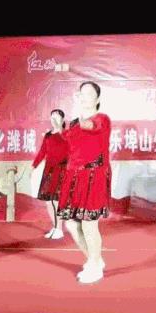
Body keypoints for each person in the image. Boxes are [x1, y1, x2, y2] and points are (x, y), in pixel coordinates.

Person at [56, 81, 112, 284]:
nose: (85, 96)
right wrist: (58, 127)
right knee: (71, 224)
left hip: (94, 175)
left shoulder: (102, 119)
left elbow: (89, 126)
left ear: (98, 98)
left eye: (89, 93)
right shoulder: (73, 123)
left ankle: (95, 268)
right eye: (82, 93)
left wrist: (80, 115)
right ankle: (94, 259)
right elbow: (68, 141)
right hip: (74, 177)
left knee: (89, 224)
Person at [32, 110, 70, 239]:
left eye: (57, 117)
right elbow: (42, 152)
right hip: (49, 171)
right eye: (52, 117)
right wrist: (33, 166)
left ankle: (59, 229)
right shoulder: (48, 135)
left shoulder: (67, 134)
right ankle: (55, 227)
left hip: (62, 170)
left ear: (62, 119)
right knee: (49, 201)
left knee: (57, 201)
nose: (53, 119)